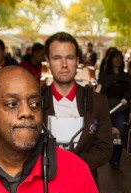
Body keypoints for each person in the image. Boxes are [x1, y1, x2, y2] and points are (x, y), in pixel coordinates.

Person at [41, 32, 113, 184]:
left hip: (84, 182)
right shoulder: (34, 102)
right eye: (57, 58)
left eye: (70, 57)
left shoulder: (98, 102)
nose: (64, 64)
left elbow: (104, 149)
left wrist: (70, 165)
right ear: (47, 62)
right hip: (45, 185)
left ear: (77, 61)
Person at [98, 47, 131, 170]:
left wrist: (126, 98)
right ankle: (108, 155)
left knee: (119, 135)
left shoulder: (126, 76)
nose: (118, 60)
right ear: (110, 60)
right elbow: (100, 90)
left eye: (120, 58)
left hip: (121, 110)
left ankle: (116, 160)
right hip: (107, 109)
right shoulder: (104, 75)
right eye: (115, 58)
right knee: (107, 134)